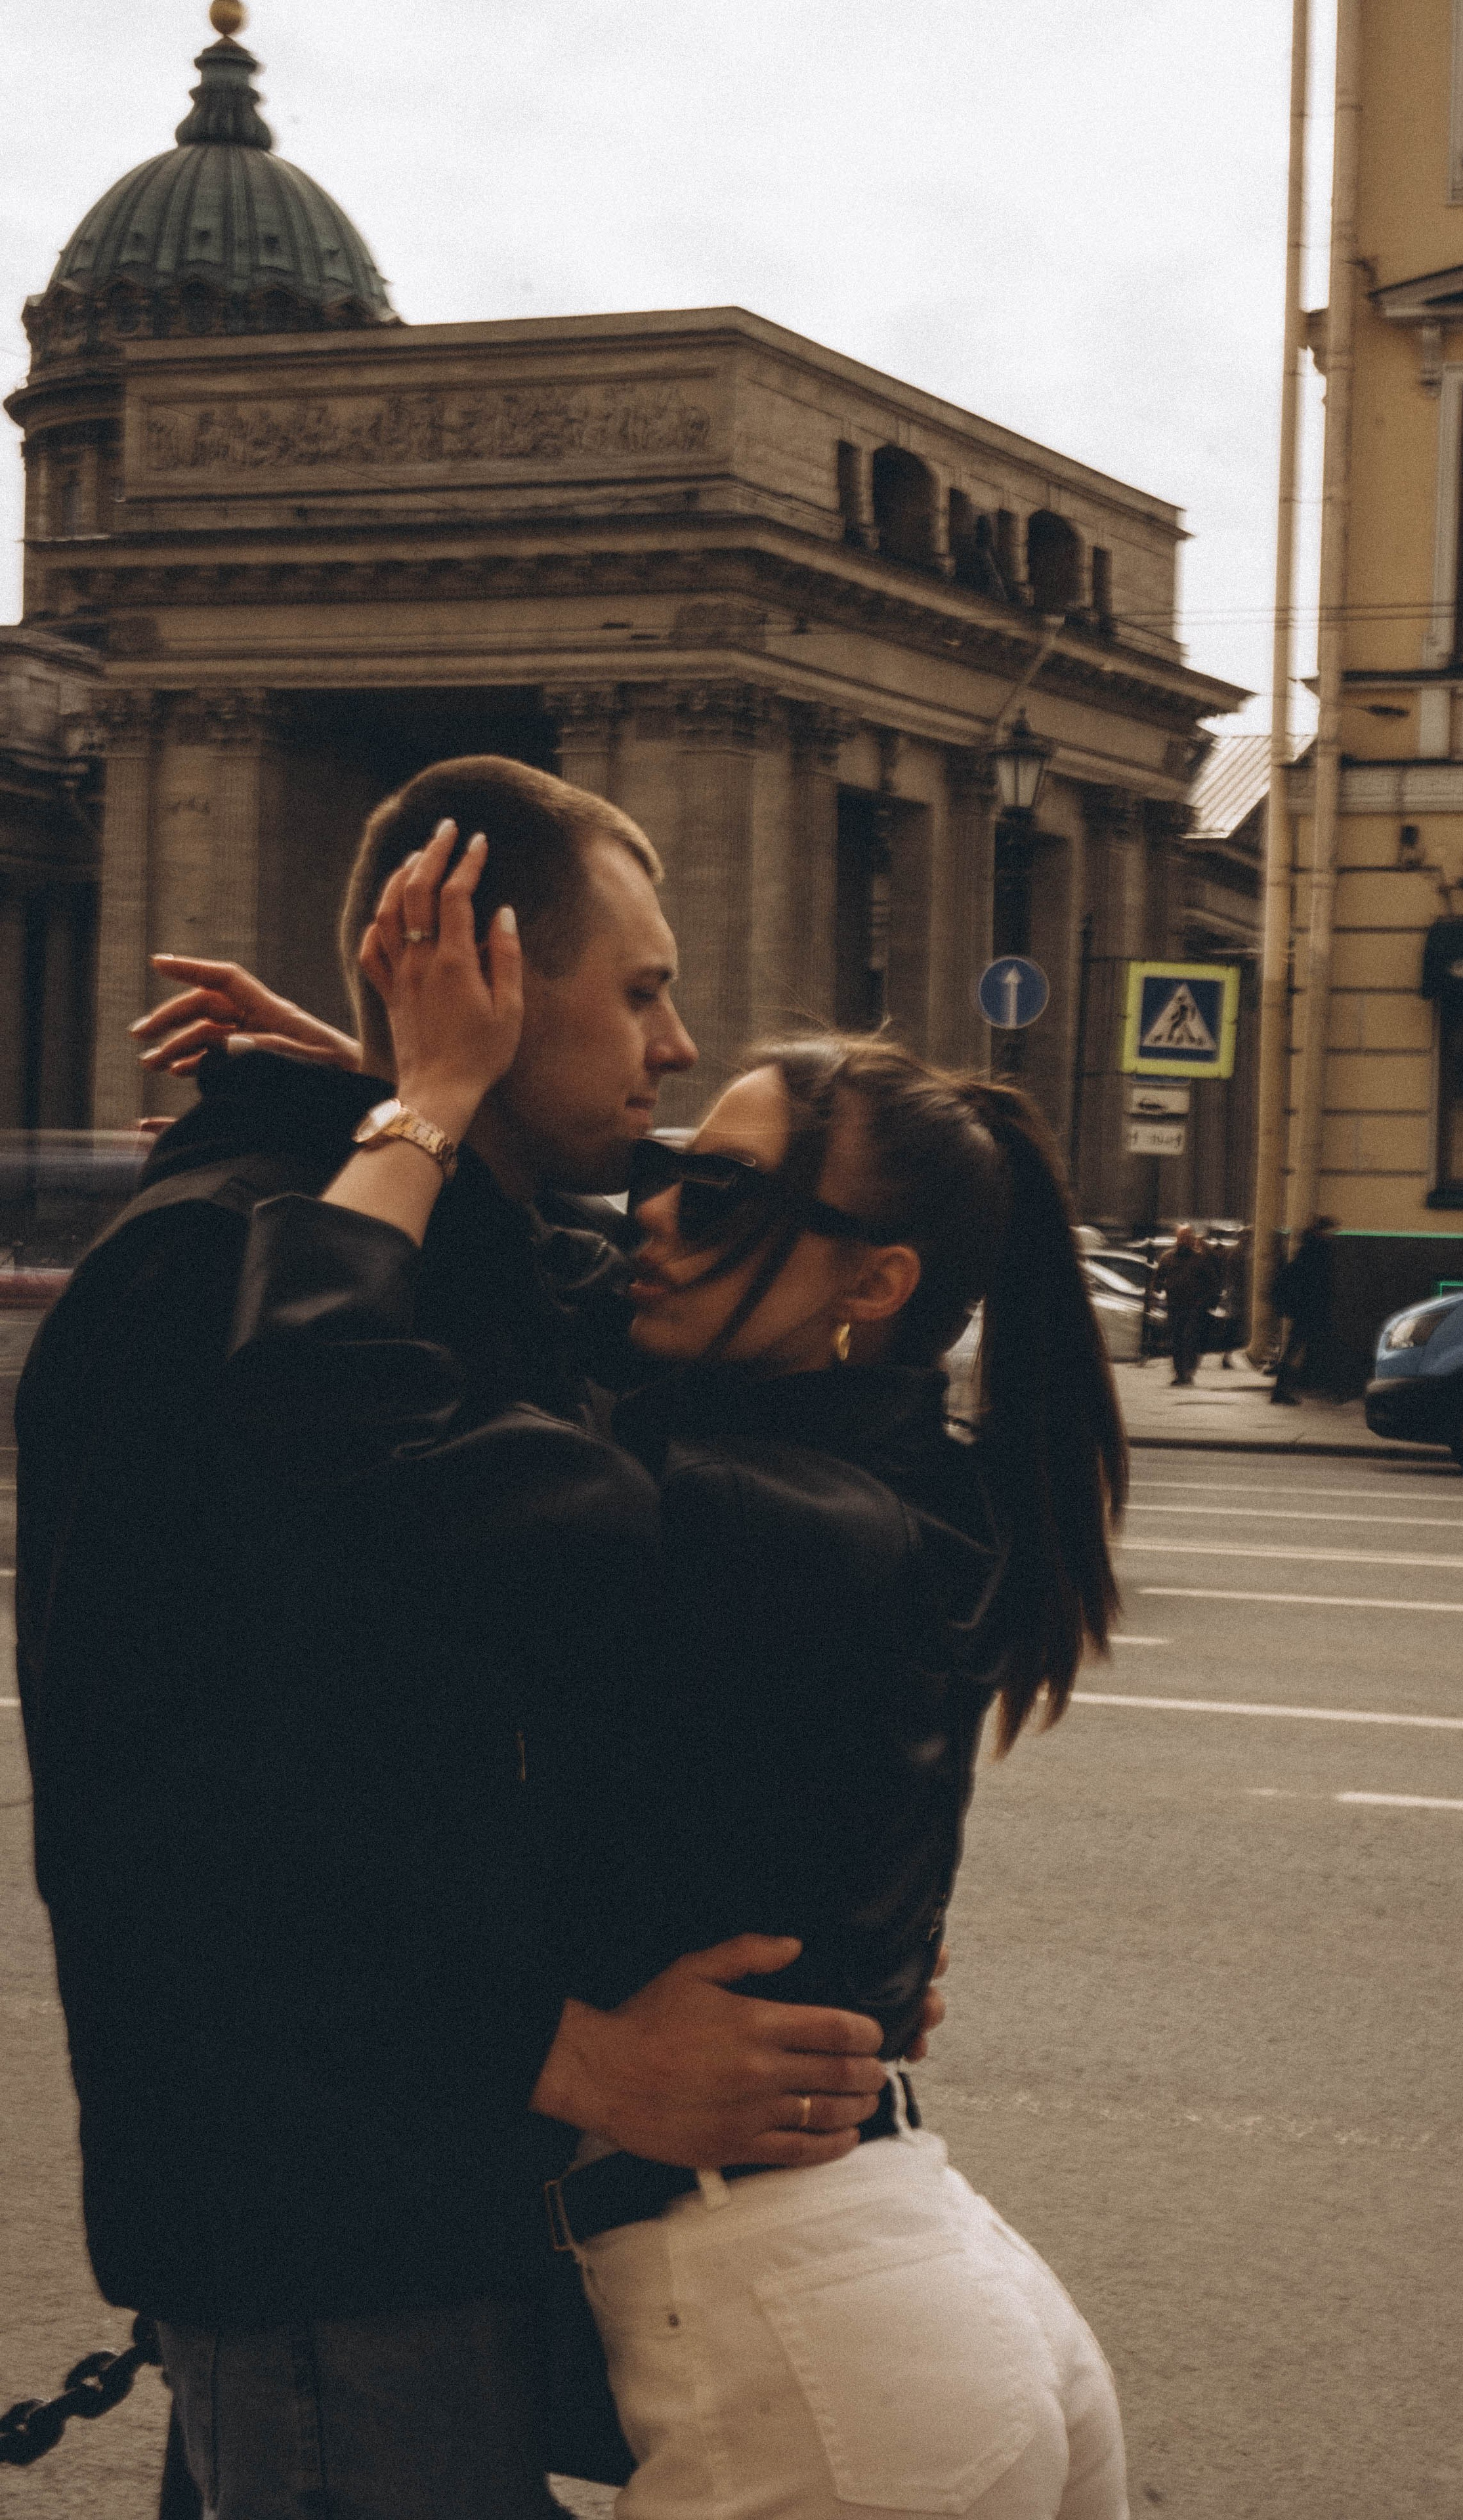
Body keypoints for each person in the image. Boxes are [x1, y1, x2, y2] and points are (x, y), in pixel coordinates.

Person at [15, 761, 908, 2520]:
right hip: (328, 2211)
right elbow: (177, 1820)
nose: (672, 1045)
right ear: (492, 976)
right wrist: (568, 2058)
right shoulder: (204, 1278)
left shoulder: (402, 1258)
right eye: (643, 991)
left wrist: (388, 1098)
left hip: (428, 2182)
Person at [206, 829, 1132, 2519]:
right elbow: (554, 1297)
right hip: (904, 2281)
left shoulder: (756, 1518)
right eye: (673, 1164)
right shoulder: (867, 1468)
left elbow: (323, 1385)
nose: (652, 1207)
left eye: (718, 1192)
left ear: (875, 1282)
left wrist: (416, 1109)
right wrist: (389, 1080)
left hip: (814, 2350)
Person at [1269, 1215, 1338, 1405]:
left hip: (1304, 1310)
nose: (1332, 1235)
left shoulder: (1307, 1249)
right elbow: (1317, 1285)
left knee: (1297, 1349)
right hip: (1310, 1311)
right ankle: (1284, 1390)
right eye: (1329, 1231)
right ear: (1321, 1231)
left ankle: (1284, 1389)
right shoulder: (1317, 1252)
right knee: (1298, 1350)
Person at [1155, 1222, 1220, 1386]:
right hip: (1175, 1306)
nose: (1185, 1241)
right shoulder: (1167, 1258)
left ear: (1192, 1240)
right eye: (1182, 1237)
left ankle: (1188, 1372)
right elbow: (1158, 1279)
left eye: (1188, 1237)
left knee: (1189, 1339)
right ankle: (1180, 1374)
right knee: (1176, 1340)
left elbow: (1213, 1284)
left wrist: (1206, 1302)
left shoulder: (1201, 1260)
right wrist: (1161, 1287)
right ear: (1177, 1239)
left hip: (1195, 1308)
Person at [1216, 1227, 1251, 1369]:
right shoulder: (1242, 1253)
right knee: (1235, 1325)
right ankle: (1229, 1355)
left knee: (1233, 1325)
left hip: (1236, 1293)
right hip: (1240, 1294)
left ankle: (1228, 1355)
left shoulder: (1235, 1252)